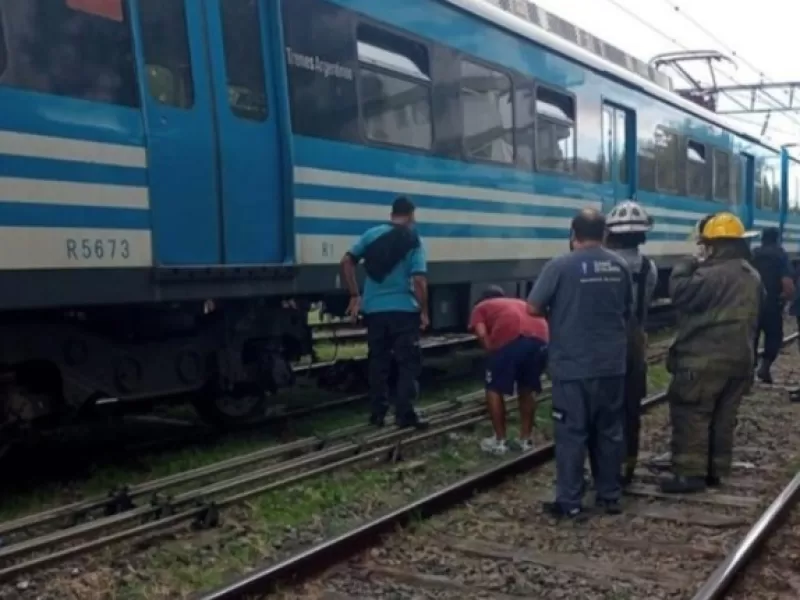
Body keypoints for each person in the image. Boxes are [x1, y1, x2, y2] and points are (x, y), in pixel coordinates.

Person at [528, 208, 632, 518]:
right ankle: (610, 495)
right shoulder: (620, 265)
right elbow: (627, 308)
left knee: (572, 434)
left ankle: (570, 503)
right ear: (604, 235)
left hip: (572, 366)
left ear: (573, 234)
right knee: (609, 430)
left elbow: (533, 307)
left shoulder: (560, 265)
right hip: (612, 364)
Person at [661, 212, 761, 493]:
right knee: (723, 418)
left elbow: (680, 294)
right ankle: (716, 471)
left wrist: (685, 265)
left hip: (702, 361)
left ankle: (690, 475)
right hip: (740, 359)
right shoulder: (751, 275)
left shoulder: (708, 275)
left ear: (713, 245)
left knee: (693, 415)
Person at [340, 196, 429, 430]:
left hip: (375, 311)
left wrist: (354, 294)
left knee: (378, 363)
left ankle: (377, 414)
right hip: (403, 311)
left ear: (392, 214)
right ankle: (404, 414)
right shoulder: (413, 239)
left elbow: (347, 261)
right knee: (407, 363)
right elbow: (419, 280)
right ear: (410, 215)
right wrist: (424, 311)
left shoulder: (371, 235)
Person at [604, 201, 658, 486]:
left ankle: (604, 467)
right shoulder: (649, 268)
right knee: (631, 407)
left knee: (603, 408)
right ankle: (628, 465)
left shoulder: (603, 265)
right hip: (635, 342)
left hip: (606, 342)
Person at [468, 285, 549, 455]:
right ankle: (525, 440)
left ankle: (500, 441)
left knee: (493, 388)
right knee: (527, 387)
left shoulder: (480, 307)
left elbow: (481, 334)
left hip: (513, 337)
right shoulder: (519, 302)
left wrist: (491, 351)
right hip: (541, 338)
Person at [751, 227, 794, 384]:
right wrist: (786, 298)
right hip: (772, 303)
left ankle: (749, 370)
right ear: (777, 239)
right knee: (774, 336)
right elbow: (787, 282)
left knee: (751, 337)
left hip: (752, 303)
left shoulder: (753, 254)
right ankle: (765, 367)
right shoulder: (780, 255)